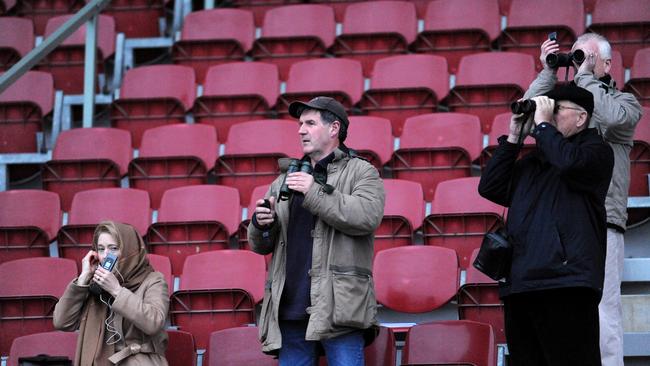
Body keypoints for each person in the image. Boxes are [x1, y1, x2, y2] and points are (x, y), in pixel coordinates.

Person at [524, 33, 643, 366]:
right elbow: (524, 118)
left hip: (601, 217)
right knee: (557, 307)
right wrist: (548, 72)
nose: (578, 63)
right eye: (575, 57)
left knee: (603, 308)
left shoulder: (625, 102)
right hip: (554, 217)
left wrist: (585, 76)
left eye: (586, 57)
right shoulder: (564, 97)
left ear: (607, 64)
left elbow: (609, 119)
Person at [479, 84, 614, 365]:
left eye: (557, 110)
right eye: (547, 110)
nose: (549, 116)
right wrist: (515, 137)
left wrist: (542, 125)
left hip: (566, 283)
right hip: (522, 284)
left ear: (581, 118)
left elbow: (568, 164)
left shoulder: (595, 152)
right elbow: (490, 187)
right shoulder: (532, 163)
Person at [248, 96, 385, 365]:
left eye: (310, 123)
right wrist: (262, 224)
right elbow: (261, 245)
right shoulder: (284, 180)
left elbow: (366, 217)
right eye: (300, 124)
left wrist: (314, 191)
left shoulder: (362, 172)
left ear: (334, 129)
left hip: (340, 309)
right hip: (290, 307)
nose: (301, 130)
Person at [53, 221, 170, 366]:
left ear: (129, 250)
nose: (106, 256)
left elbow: (154, 322)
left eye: (113, 248)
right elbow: (62, 322)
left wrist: (116, 290)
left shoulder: (154, 280)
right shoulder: (93, 282)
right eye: (101, 249)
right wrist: (83, 278)